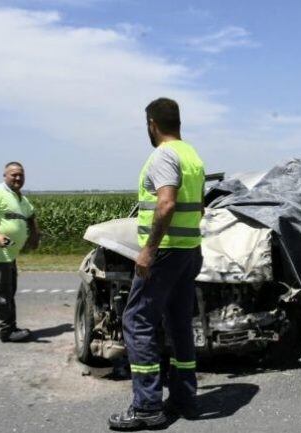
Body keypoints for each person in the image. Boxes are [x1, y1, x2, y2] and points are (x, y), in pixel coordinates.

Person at [109, 98, 205, 431]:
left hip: (164, 252)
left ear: (152, 123)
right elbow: (199, 207)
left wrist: (148, 250)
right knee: (179, 323)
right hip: (188, 250)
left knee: (137, 320)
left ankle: (147, 406)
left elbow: (165, 204)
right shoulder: (192, 155)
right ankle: (184, 398)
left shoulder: (164, 155)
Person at [0, 161, 40, 342]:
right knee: (2, 295)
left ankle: (11, 327)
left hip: (8, 256)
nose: (18, 177)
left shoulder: (21, 199)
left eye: (21, 174)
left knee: (8, 292)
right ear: (5, 176)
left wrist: (34, 236)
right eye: (13, 174)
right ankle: (7, 332)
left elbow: (31, 216)